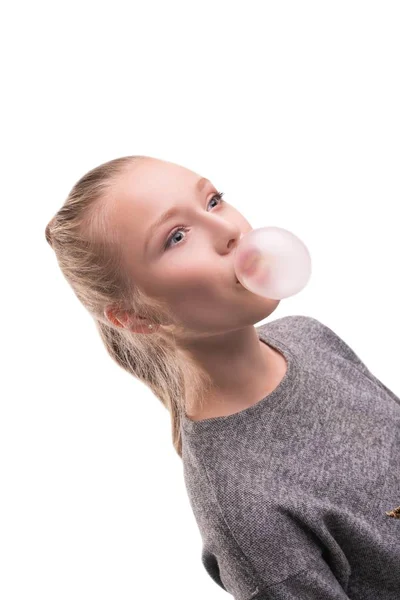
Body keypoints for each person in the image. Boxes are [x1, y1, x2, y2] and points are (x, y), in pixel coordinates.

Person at [45, 155, 400, 599]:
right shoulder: (244, 513)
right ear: (134, 317)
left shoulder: (308, 336)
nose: (230, 230)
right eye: (176, 237)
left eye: (213, 201)